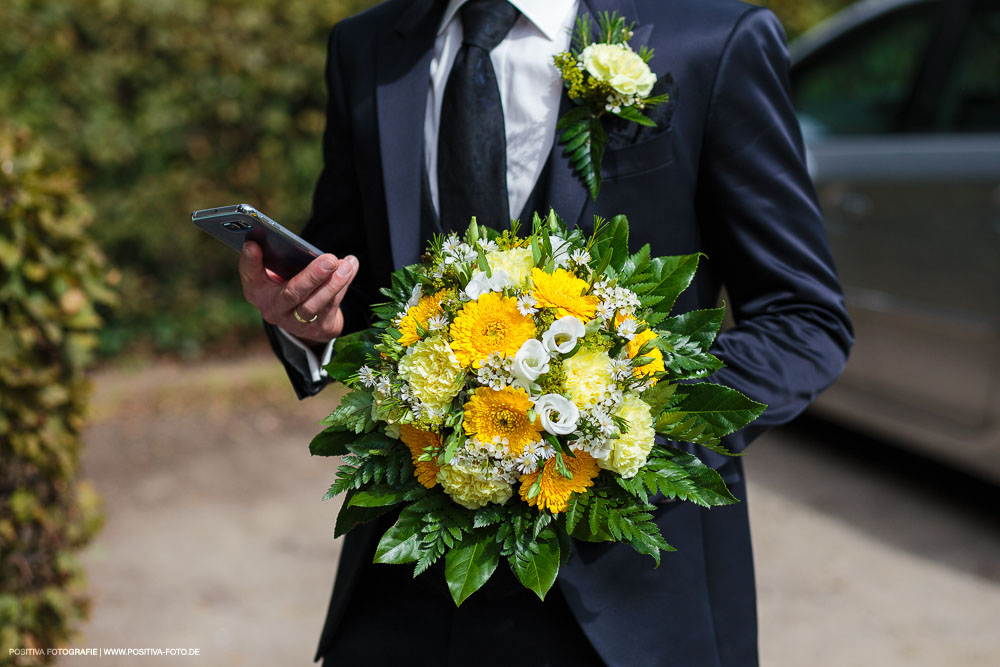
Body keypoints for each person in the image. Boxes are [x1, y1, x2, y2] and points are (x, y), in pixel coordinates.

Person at [238, 0, 853, 665]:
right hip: (406, 589)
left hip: (631, 603)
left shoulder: (709, 39)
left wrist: (620, 425)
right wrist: (308, 320)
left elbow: (803, 316)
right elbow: (354, 285)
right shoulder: (367, 49)